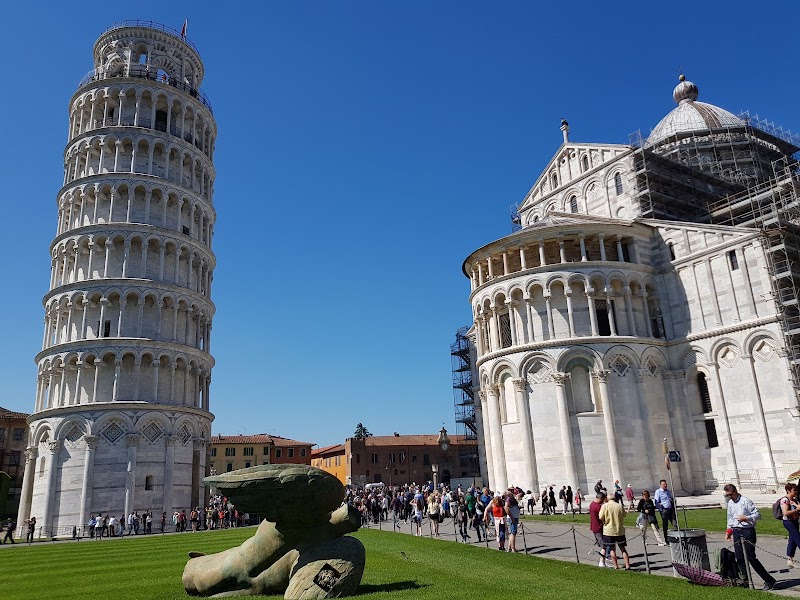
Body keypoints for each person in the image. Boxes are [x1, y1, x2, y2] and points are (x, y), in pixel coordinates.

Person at [725, 483, 777, 590]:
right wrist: (729, 531)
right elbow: (730, 518)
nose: (729, 497)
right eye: (727, 495)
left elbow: (757, 515)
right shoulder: (730, 503)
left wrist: (746, 518)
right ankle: (746, 581)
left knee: (750, 558)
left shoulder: (745, 501)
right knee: (739, 558)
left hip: (747, 531)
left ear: (735, 492)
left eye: (730, 494)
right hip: (736, 531)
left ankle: (769, 580)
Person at [599, 493, 630, 570]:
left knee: (612, 549)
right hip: (619, 530)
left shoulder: (605, 506)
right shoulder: (619, 505)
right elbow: (624, 515)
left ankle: (616, 566)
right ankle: (627, 565)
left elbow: (600, 517)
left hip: (609, 530)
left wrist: (604, 520)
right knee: (623, 548)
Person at [781, 483, 800, 568]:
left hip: (795, 521)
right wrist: (796, 510)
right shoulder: (785, 500)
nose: (795, 492)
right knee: (798, 539)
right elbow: (785, 513)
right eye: (794, 490)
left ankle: (790, 559)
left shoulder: (795, 500)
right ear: (788, 490)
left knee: (792, 540)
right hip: (788, 522)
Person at [589, 493, 608, 567]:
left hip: (594, 526)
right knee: (604, 545)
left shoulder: (592, 504)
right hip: (598, 527)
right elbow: (603, 517)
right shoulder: (598, 507)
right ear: (600, 498)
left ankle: (604, 558)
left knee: (602, 544)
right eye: (603, 499)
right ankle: (602, 561)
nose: (603, 501)